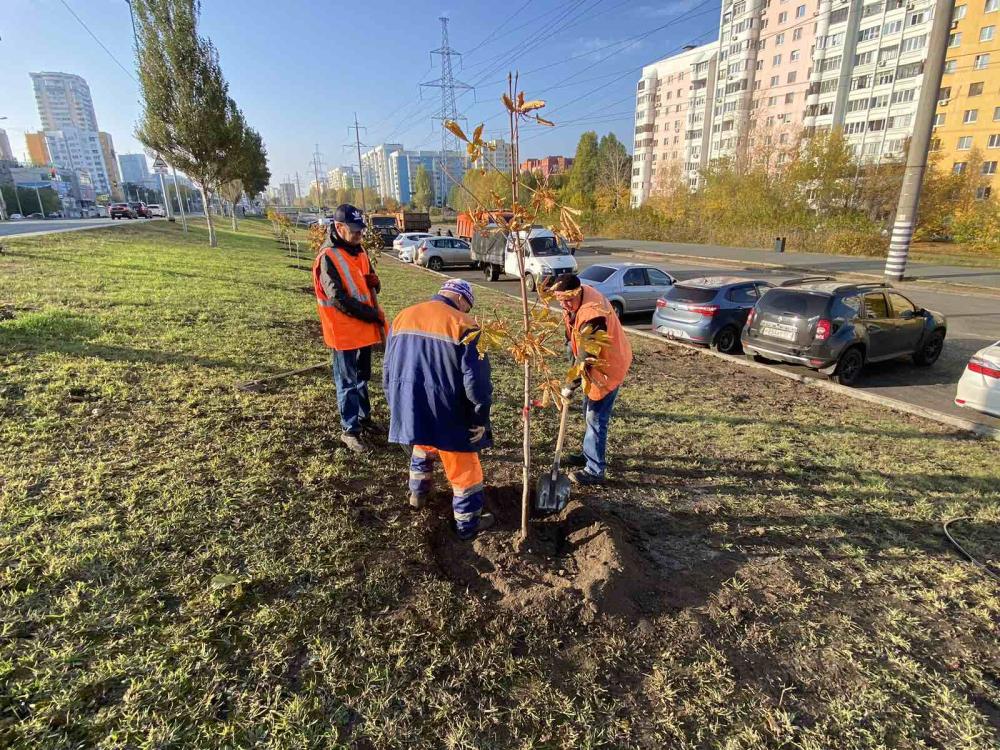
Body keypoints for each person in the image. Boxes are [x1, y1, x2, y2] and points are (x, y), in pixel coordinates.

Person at [382, 279, 495, 540]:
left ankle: (417, 494)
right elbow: (476, 382)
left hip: (409, 402)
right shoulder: (465, 325)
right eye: (467, 306)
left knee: (423, 443)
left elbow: (388, 367)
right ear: (463, 300)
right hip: (448, 409)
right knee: (465, 468)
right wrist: (479, 416)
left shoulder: (403, 316)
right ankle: (468, 524)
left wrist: (395, 402)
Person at [312, 203, 387, 453]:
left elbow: (366, 279)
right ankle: (350, 430)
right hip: (343, 332)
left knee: (362, 378)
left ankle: (365, 419)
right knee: (347, 382)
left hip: (363, 330)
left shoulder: (359, 251)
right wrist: (371, 314)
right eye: (354, 231)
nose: (359, 235)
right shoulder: (328, 258)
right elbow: (339, 298)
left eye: (361, 230)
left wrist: (375, 283)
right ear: (338, 227)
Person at [549, 273, 632, 485]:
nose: (565, 304)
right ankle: (588, 452)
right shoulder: (578, 295)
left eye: (569, 299)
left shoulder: (593, 315)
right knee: (588, 411)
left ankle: (595, 470)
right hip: (594, 365)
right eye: (561, 300)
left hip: (607, 367)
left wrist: (570, 385)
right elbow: (574, 337)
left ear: (578, 293)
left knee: (595, 417)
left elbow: (587, 358)